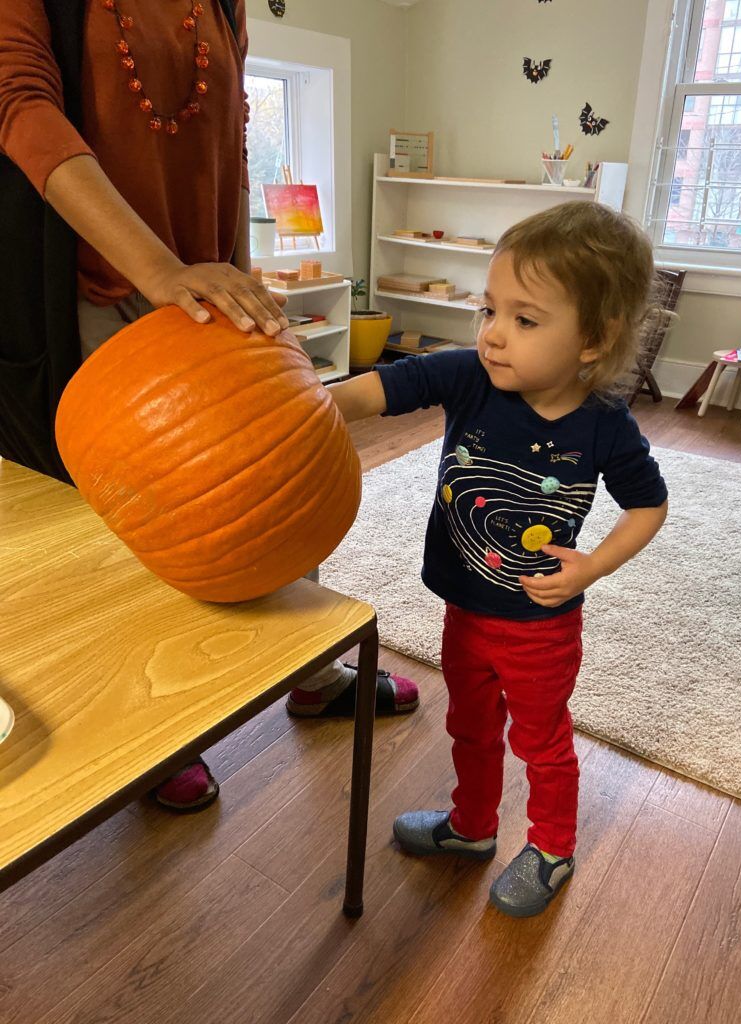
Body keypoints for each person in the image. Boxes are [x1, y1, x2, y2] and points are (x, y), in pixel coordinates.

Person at [0, 0, 418, 814]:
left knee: (276, 467)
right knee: (145, 522)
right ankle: (159, 732)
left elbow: (226, 138)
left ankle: (312, 676)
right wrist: (159, 271)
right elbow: (20, 109)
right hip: (98, 291)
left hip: (203, 284)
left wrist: (243, 275)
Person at [324, 201, 669, 917]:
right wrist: (304, 407)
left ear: (594, 341)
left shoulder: (604, 425)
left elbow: (648, 506)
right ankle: (473, 828)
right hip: (463, 607)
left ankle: (551, 848)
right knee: (470, 727)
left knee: (541, 740)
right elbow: (380, 389)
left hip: (540, 625)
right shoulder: (466, 378)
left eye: (525, 319)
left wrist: (595, 565)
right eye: (489, 310)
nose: (493, 335)